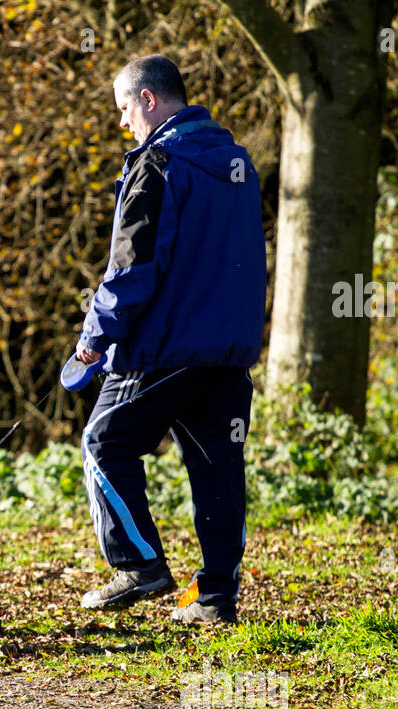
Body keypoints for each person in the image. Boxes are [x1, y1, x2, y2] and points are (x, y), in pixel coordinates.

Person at [75, 54, 266, 624]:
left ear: (149, 100)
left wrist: (93, 337)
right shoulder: (237, 164)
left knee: (103, 443)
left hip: (163, 349)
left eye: (124, 108)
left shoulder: (158, 163)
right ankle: (215, 598)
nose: (122, 121)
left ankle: (139, 564)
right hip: (227, 351)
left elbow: (133, 267)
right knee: (218, 472)